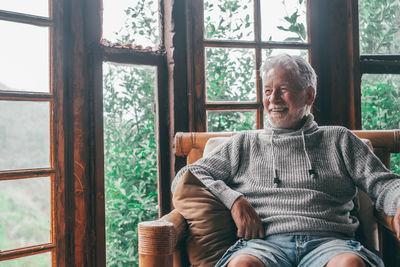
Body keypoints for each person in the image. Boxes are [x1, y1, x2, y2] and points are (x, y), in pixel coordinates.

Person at [171, 54, 400, 267]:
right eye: (268, 91)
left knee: (350, 264)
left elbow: (384, 183)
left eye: (282, 89)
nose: (273, 99)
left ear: (309, 95)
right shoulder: (244, 143)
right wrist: (233, 200)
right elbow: (185, 177)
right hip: (263, 246)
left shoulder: (339, 139)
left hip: (331, 244)